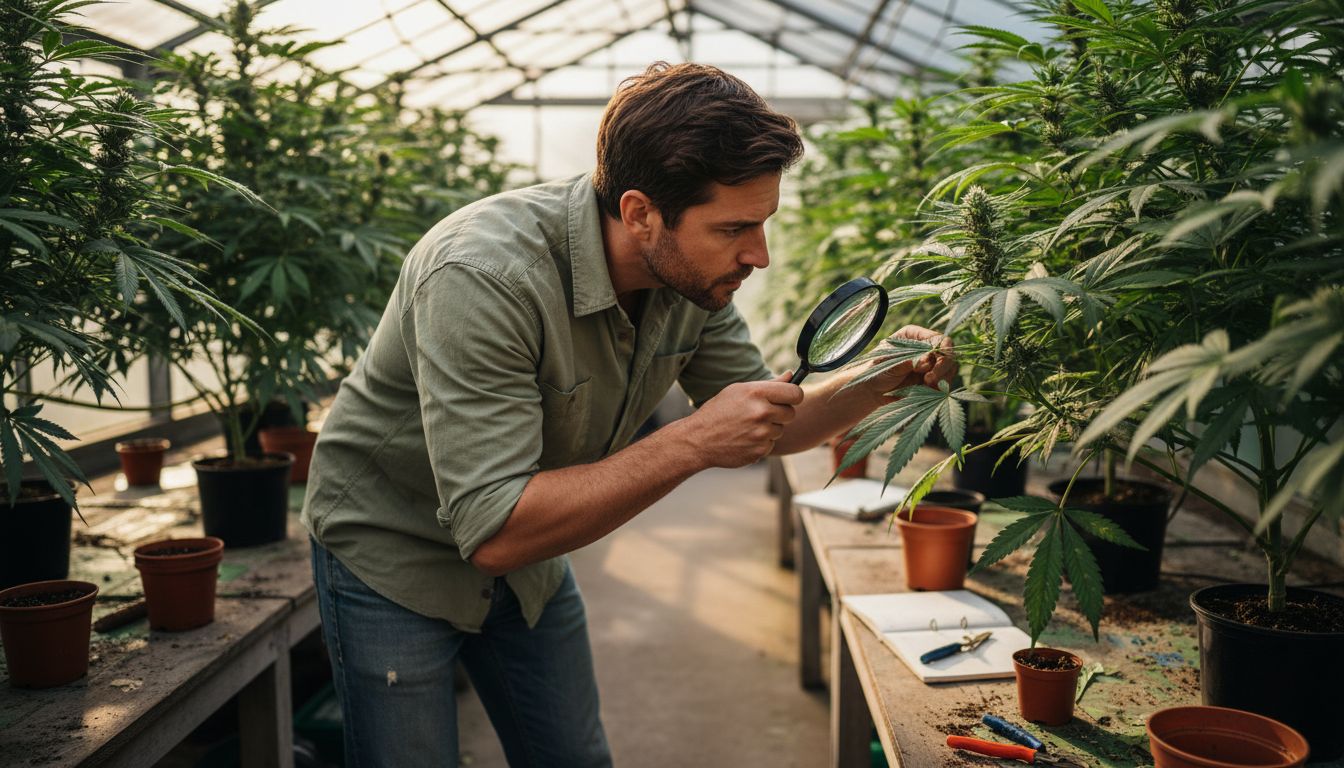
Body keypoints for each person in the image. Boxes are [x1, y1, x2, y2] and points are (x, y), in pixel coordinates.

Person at [301, 61, 953, 767]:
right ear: (641, 213)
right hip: (391, 552)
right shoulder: (483, 275)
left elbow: (773, 423)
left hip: (532, 557)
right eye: (734, 227)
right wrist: (692, 443)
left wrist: (880, 377)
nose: (757, 255)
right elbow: (493, 528)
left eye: (763, 225)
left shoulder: (689, 279)